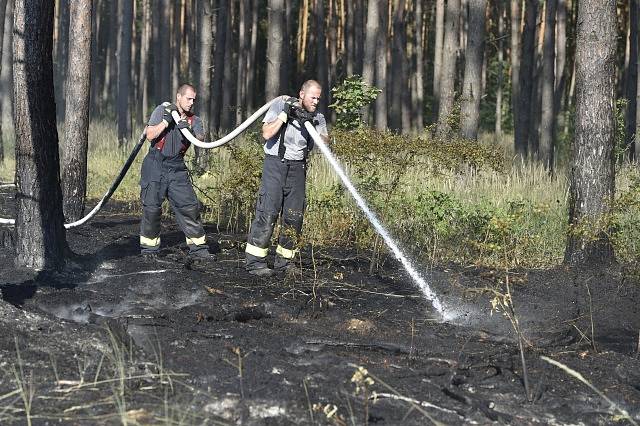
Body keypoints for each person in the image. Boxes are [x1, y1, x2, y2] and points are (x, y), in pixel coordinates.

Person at [245, 80, 329, 277]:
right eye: (312, 97)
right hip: (275, 164)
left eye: (318, 98)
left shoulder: (318, 116)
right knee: (268, 211)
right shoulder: (280, 106)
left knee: (294, 216)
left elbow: (324, 143)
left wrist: (310, 122)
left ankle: (285, 262)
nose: (316, 101)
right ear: (301, 94)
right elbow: (266, 133)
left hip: (298, 169)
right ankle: (255, 262)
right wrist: (285, 114)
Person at [139, 83, 215, 259]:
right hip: (155, 164)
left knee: (189, 207)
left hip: (177, 167)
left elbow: (200, 140)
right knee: (151, 208)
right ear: (178, 97)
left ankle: (199, 249)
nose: (191, 103)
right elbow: (150, 135)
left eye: (193, 100)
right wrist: (166, 121)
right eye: (188, 98)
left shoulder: (194, 120)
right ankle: (149, 250)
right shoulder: (162, 110)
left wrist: (186, 129)